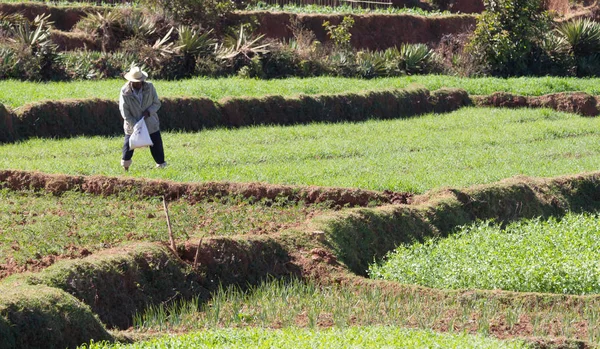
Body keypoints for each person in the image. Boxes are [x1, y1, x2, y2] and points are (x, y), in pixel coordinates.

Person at [119, 66, 167, 171]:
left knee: (157, 146)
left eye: (140, 81)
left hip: (150, 122)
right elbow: (125, 112)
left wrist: (149, 112)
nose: (138, 84)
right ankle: (125, 168)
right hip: (132, 124)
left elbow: (156, 103)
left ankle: (161, 167)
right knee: (128, 146)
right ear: (131, 81)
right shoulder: (125, 92)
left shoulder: (150, 87)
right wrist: (135, 124)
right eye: (135, 82)